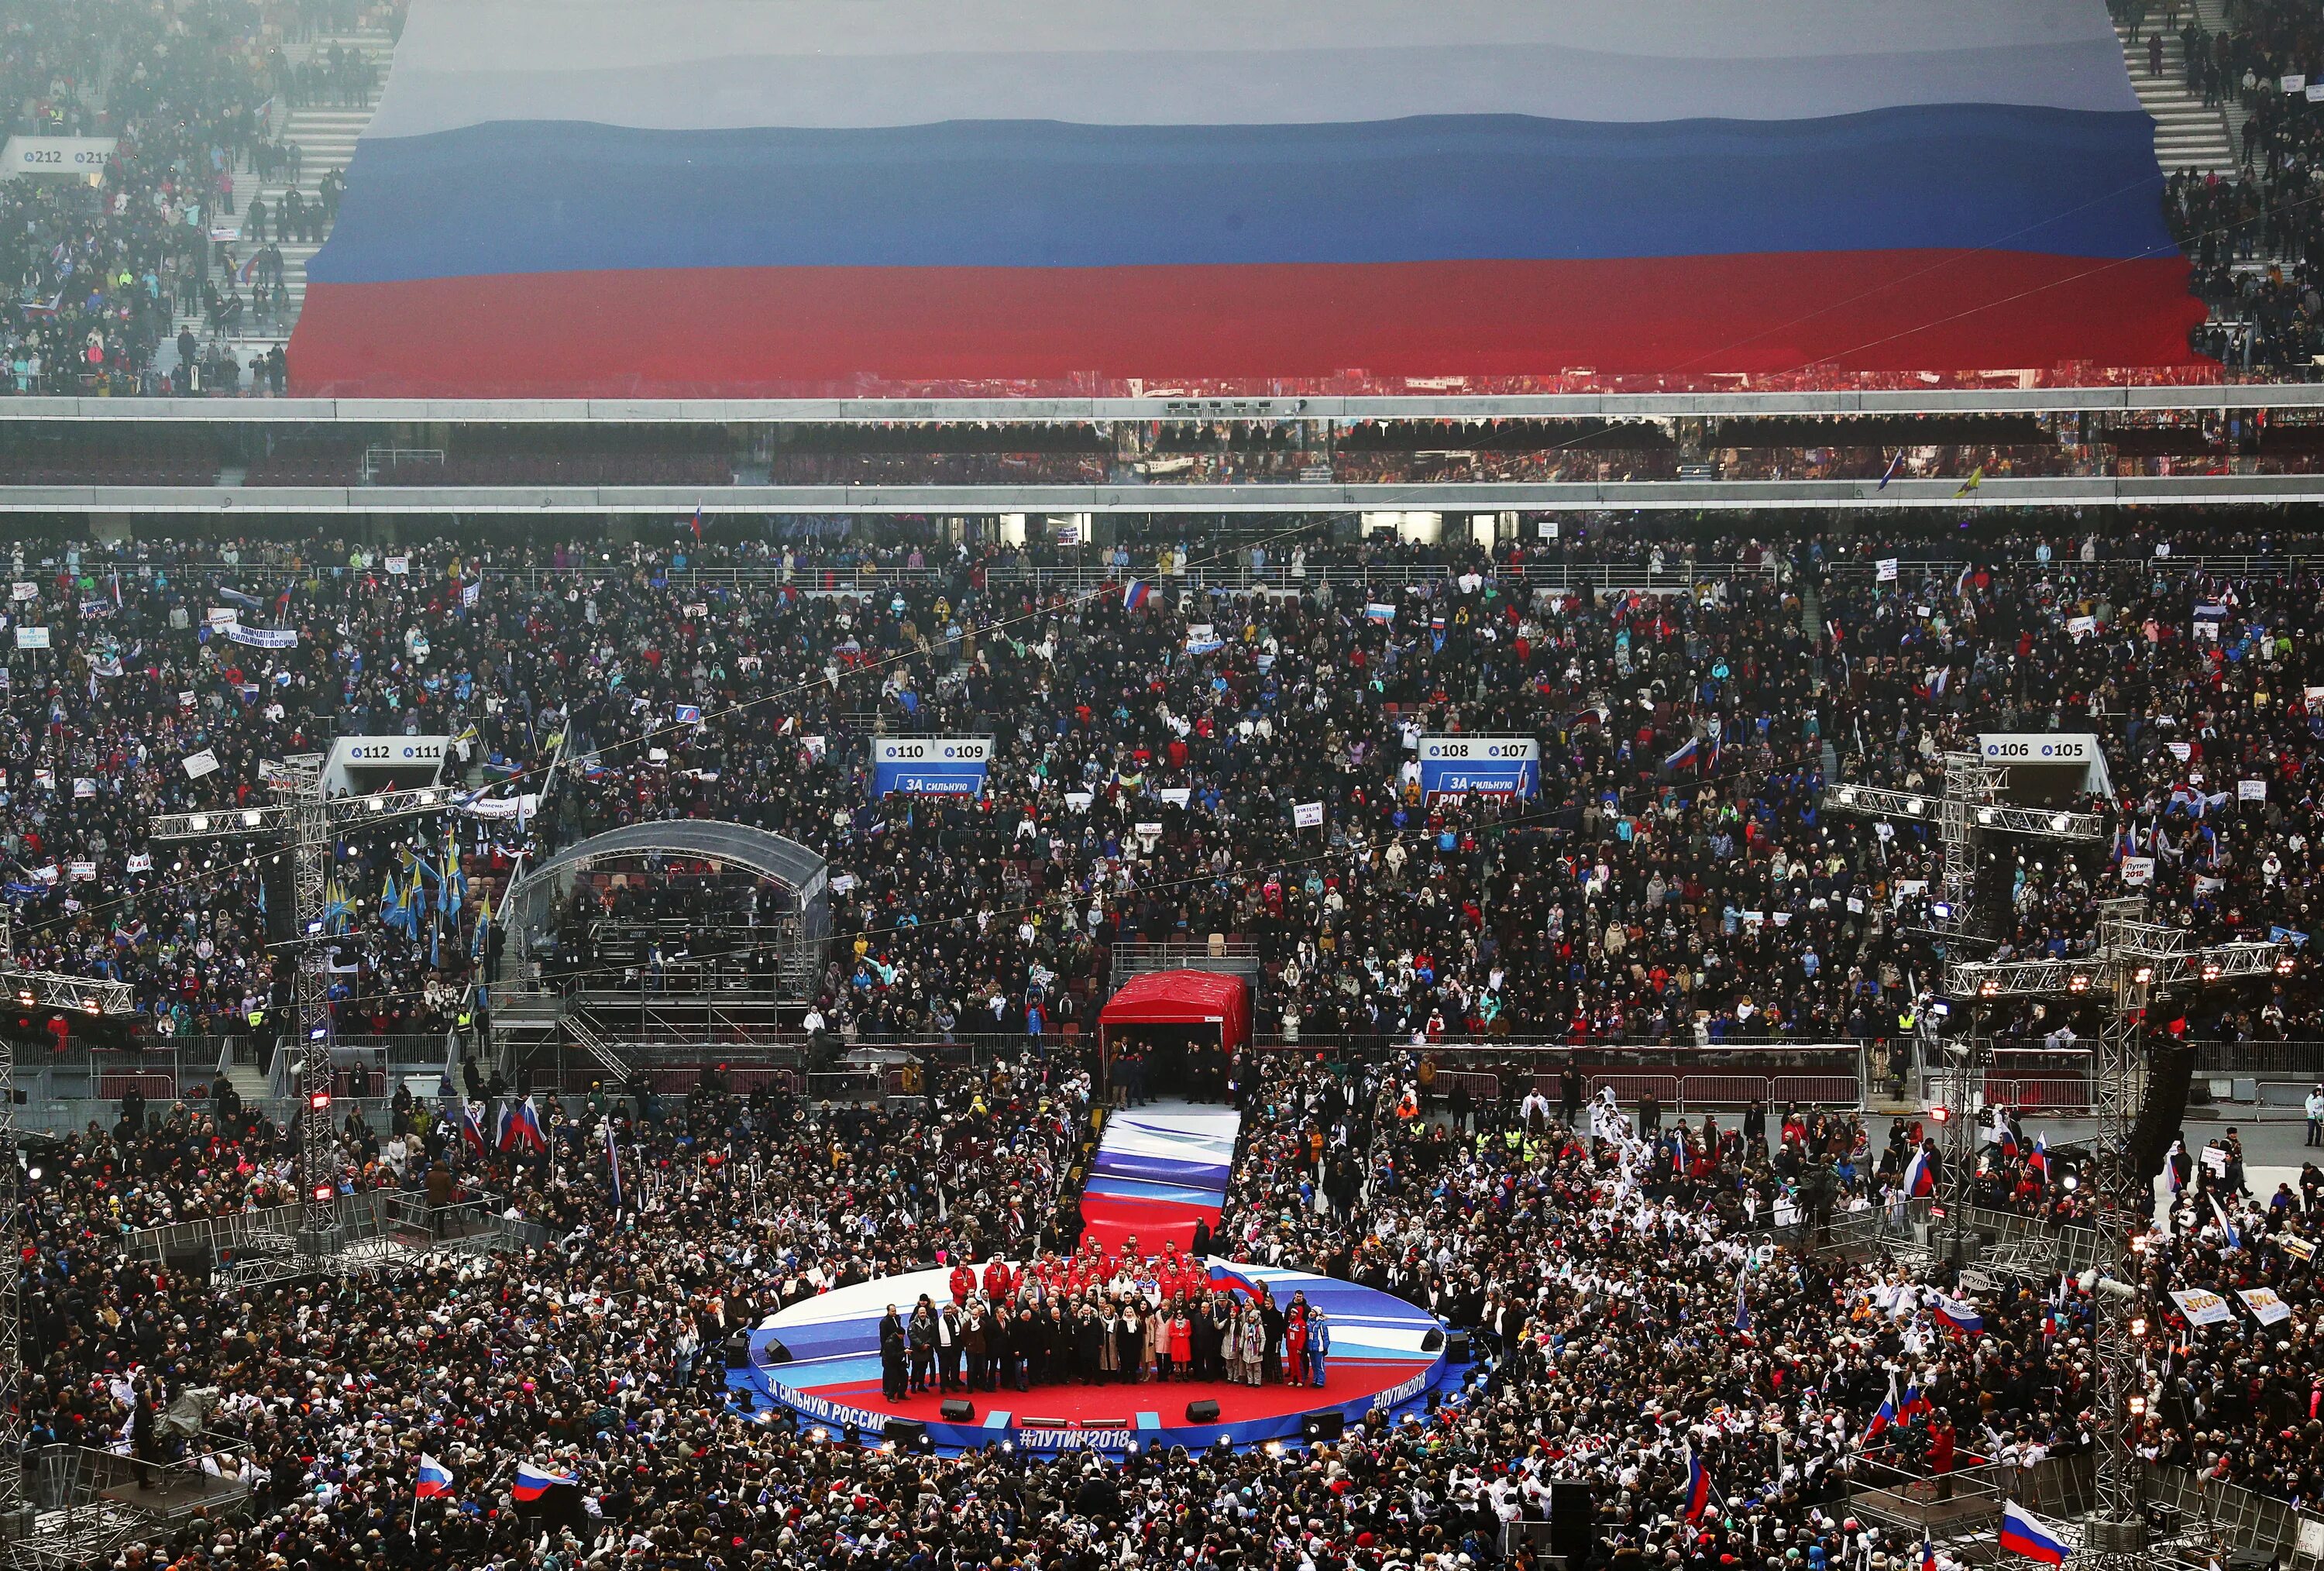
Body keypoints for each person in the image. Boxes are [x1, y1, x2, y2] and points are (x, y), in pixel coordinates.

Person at [878, 1305, 907, 1403]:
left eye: (895, 1310)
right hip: (890, 1349)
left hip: (897, 1346)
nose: (894, 1312)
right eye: (892, 1311)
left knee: (898, 1374)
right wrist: (885, 1349)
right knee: (889, 1372)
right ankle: (886, 1389)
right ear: (888, 1311)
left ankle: (895, 1391)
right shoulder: (884, 1322)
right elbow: (883, 1337)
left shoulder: (897, 1319)